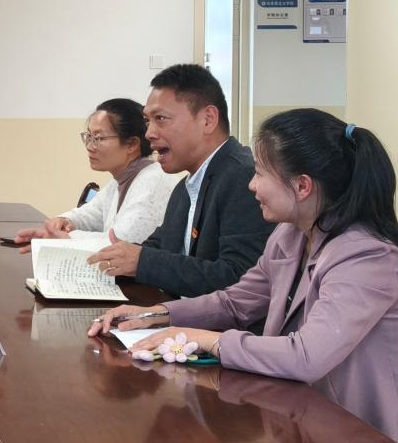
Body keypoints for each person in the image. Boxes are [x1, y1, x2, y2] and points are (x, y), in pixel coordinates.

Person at [91, 109, 398, 443]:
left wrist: (207, 340)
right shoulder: (291, 235)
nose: (251, 185)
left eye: (259, 173)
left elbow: (307, 356)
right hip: (313, 428)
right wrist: (157, 315)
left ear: (302, 186)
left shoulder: (366, 256)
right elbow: (235, 302)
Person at [88, 63, 273, 294]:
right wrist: (119, 256)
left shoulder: (243, 178)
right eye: (147, 121)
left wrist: (142, 261)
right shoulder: (185, 188)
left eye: (161, 119)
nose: (149, 133)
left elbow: (239, 279)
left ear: (208, 119)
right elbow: (158, 247)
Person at [17, 97, 176, 248]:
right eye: (89, 136)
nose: (89, 146)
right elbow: (91, 214)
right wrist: (65, 221)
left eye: (99, 138)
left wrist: (65, 238)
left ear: (132, 144)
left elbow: (121, 244)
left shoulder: (153, 182)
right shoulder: (121, 180)